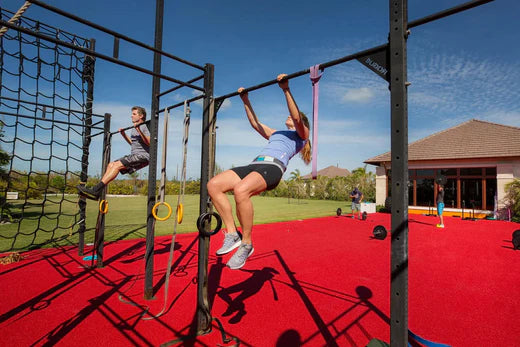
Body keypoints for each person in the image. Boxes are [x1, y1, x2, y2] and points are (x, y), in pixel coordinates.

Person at [207, 74, 311, 270]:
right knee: (213, 185)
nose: (288, 116)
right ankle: (232, 234)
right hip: (255, 164)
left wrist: (285, 89)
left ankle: (247, 244)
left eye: (293, 117)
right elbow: (255, 124)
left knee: (240, 191)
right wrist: (245, 100)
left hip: (273, 167)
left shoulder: (302, 135)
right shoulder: (277, 133)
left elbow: (296, 116)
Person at [77, 106, 150, 200]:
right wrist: (123, 134)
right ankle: (97, 192)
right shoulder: (134, 128)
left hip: (143, 156)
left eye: (134, 114)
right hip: (135, 154)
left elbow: (149, 143)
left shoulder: (144, 126)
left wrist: (139, 130)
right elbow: (134, 144)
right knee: (111, 165)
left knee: (116, 166)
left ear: (141, 116)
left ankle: (95, 189)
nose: (131, 116)